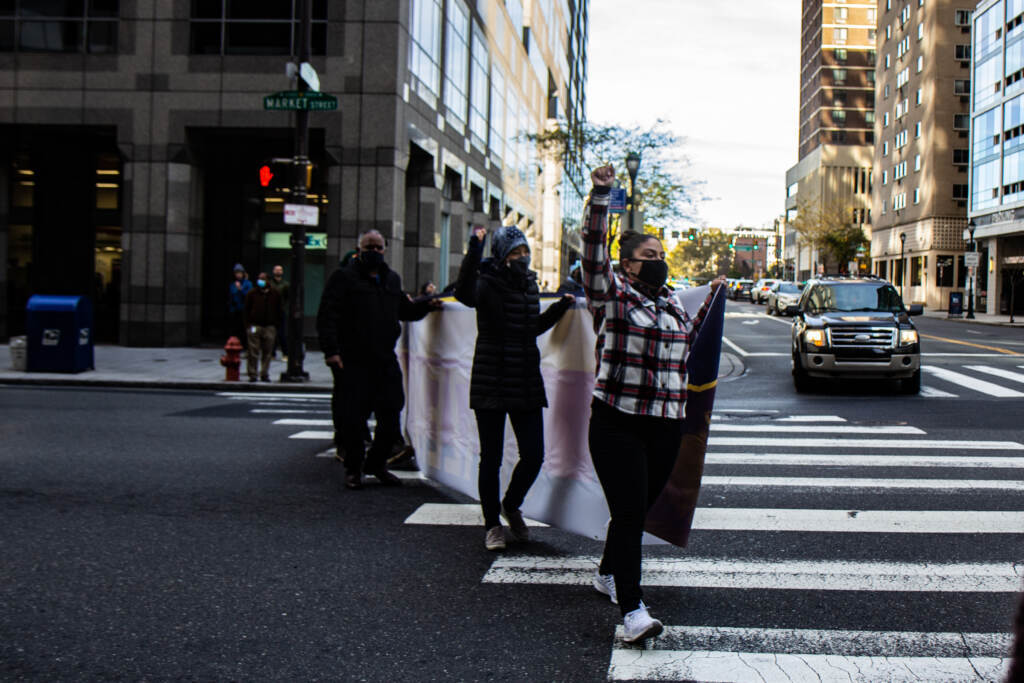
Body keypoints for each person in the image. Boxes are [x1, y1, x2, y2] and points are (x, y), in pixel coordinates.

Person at [581, 164, 725, 643]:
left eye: (662, 254)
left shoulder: (671, 304)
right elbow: (593, 253)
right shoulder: (612, 296)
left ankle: (606, 571)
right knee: (627, 512)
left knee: (637, 510)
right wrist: (602, 195)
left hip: (665, 426)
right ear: (627, 265)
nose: (659, 260)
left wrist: (715, 297)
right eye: (649, 254)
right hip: (617, 422)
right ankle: (632, 611)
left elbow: (693, 332)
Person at [455, 225, 575, 551]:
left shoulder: (530, 284)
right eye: (514, 253)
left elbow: (530, 327)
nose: (521, 258)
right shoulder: (485, 282)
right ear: (502, 255)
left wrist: (559, 309)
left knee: (534, 454)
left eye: (524, 252)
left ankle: (511, 504)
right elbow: (464, 294)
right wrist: (474, 247)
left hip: (524, 378)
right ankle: (492, 524)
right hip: (491, 378)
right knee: (491, 458)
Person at [317, 230, 442, 490]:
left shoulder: (391, 280)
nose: (373, 251)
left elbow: (404, 311)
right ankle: (353, 469)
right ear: (358, 249)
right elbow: (327, 316)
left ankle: (376, 463)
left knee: (392, 410)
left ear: (385, 249)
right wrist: (332, 352)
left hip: (384, 358)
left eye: (378, 247)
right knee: (353, 418)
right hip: (353, 359)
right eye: (368, 247)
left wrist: (427, 305)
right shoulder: (343, 278)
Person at [244, 272, 282, 382]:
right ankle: (253, 373)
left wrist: (276, 325)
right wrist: (248, 325)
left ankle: (264, 373)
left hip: (269, 326)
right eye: (259, 279)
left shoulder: (275, 294)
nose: (260, 281)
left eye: (263, 279)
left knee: (267, 351)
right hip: (255, 325)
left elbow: (279, 310)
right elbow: (246, 310)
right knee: (253, 351)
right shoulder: (252, 293)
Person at [270, 265, 290, 359]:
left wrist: (284, 307)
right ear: (273, 271)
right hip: (272, 311)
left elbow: (287, 297)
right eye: (276, 270)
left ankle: (285, 353)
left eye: (280, 270)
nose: (278, 271)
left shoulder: (285, 284)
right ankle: (272, 353)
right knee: (272, 333)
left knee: (282, 333)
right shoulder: (270, 284)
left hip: (281, 311)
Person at [227, 264, 251, 340]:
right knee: (234, 328)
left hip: (244, 309)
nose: (238, 275)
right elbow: (232, 294)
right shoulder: (233, 284)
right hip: (235, 309)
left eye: (239, 273)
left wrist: (240, 289)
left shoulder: (247, 283)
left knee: (243, 328)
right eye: (236, 273)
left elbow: (248, 295)